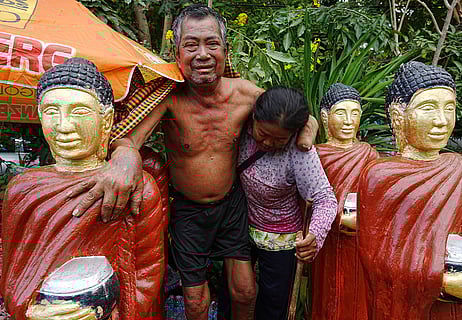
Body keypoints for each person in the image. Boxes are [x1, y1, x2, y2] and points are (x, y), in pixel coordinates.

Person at [67, 5, 318, 320]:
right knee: (197, 302)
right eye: (191, 45)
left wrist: (307, 137)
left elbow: (297, 116)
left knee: (245, 292)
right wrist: (125, 157)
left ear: (225, 51)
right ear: (177, 51)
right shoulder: (167, 97)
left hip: (232, 205)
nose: (203, 54)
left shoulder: (245, 94)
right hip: (188, 210)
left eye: (212, 44)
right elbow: (127, 138)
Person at [0, 58, 168, 320]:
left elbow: (147, 273)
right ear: (40, 117)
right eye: (52, 112)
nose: (64, 127)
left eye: (79, 112)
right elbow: (12, 274)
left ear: (106, 119)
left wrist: (111, 310)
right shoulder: (23, 189)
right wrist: (31, 310)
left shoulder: (135, 187)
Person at [357, 61, 462, 319]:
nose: (441, 121)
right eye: (427, 108)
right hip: (406, 307)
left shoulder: (461, 170)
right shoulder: (379, 175)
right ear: (398, 116)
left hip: (454, 307)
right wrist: (440, 282)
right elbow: (375, 259)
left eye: (450, 108)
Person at [236, 87, 337, 320]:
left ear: (293, 134)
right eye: (263, 133)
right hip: (240, 225)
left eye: (279, 139)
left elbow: (325, 198)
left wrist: (315, 234)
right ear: (254, 118)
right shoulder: (240, 127)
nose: (268, 143)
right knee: (235, 292)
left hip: (281, 237)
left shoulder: (299, 152)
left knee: (273, 304)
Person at [311, 83, 378, 320]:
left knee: (356, 295)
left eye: (355, 113)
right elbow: (306, 200)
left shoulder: (370, 154)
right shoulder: (316, 154)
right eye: (341, 113)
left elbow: (378, 197)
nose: (349, 121)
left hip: (359, 242)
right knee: (327, 293)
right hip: (325, 240)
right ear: (325, 117)